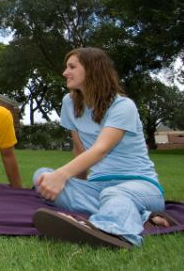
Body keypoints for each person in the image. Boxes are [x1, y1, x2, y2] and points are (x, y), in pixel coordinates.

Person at [32, 47, 176, 249]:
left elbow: (101, 149)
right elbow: (80, 150)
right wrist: (69, 183)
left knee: (115, 195)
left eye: (72, 67)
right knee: (43, 176)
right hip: (98, 186)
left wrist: (62, 175)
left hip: (139, 186)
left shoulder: (123, 106)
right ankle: (143, 217)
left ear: (91, 70)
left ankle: (111, 232)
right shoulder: (69, 103)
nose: (65, 72)